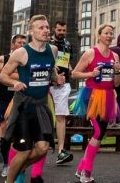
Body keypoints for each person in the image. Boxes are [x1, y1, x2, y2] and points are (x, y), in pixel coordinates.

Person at [0, 15, 61, 183]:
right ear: (31, 32)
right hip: (24, 106)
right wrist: (15, 82)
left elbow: (51, 71)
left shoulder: (53, 50)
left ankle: (19, 167)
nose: (45, 30)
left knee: (43, 148)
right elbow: (3, 75)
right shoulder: (21, 53)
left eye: (47, 27)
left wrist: (56, 79)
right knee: (24, 150)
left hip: (41, 105)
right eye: (41, 27)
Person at [70, 23, 120, 183]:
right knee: (98, 132)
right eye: (106, 33)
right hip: (92, 96)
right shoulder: (90, 53)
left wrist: (117, 71)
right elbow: (74, 74)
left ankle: (80, 169)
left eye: (111, 33)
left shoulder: (115, 56)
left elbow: (117, 83)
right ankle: (86, 172)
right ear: (99, 35)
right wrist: (90, 74)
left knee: (100, 133)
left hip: (108, 97)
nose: (109, 36)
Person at [0, 33, 27, 177]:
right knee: (4, 126)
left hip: (20, 97)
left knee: (19, 130)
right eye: (19, 43)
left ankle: (13, 157)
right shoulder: (1, 60)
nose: (22, 45)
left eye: (24, 43)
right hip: (3, 98)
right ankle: (6, 164)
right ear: (12, 45)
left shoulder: (28, 60)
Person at [49, 20, 75, 166]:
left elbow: (67, 61)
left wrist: (70, 69)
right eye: (59, 30)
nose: (61, 33)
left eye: (64, 30)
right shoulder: (48, 43)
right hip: (48, 83)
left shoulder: (68, 44)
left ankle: (61, 151)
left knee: (61, 116)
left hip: (64, 84)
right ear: (54, 29)